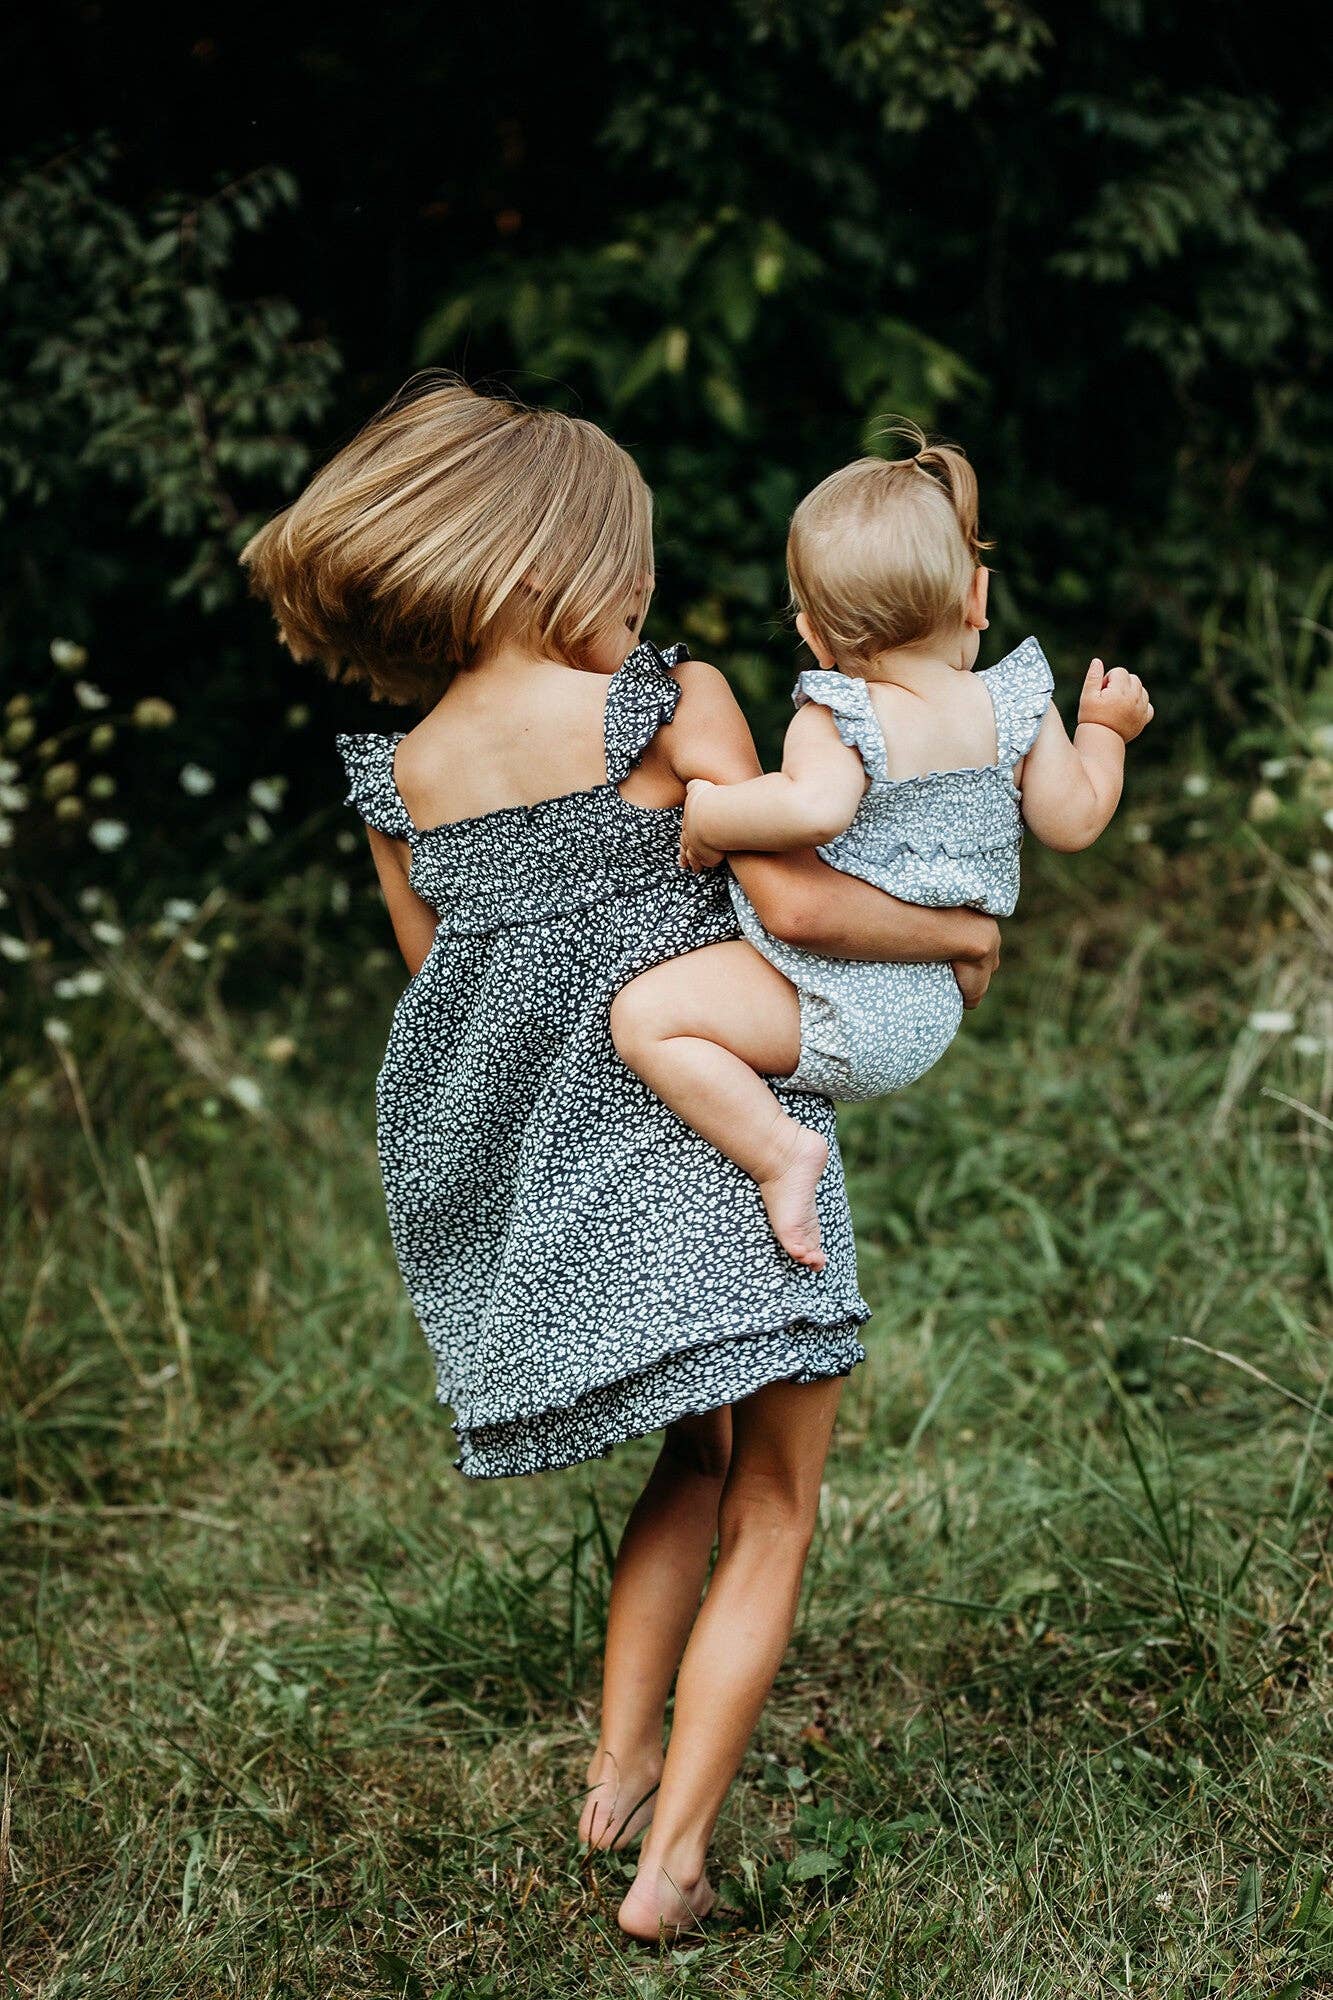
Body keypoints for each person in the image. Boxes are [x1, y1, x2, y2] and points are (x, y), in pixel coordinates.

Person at [240, 377, 1001, 1940]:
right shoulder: (667, 704)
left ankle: (617, 1768)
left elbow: (438, 998)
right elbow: (788, 908)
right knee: (777, 1500)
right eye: (627, 571)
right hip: (720, 1144)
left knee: (694, 1459)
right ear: (546, 570)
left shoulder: (400, 784)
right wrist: (959, 935)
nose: (643, 600)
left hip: (569, 1168)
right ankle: (675, 1868)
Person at [612, 428, 1153, 1269]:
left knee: (645, 1018)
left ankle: (778, 1154)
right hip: (931, 1002)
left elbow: (814, 808)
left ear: (814, 635)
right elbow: (1074, 822)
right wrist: (1104, 731)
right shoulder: (1014, 704)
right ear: (976, 597)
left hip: (834, 991)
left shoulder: (840, 714)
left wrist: (713, 815)